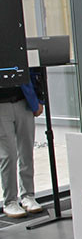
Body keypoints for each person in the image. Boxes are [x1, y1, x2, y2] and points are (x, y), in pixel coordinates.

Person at [0, 70, 45, 218]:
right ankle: (10, 201)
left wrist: (39, 100)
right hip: (2, 104)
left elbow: (33, 69)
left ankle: (28, 196)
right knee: (8, 155)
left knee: (26, 151)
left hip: (23, 101)